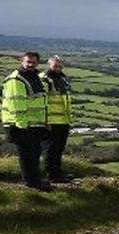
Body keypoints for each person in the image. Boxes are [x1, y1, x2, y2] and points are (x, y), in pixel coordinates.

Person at [2, 51, 51, 192]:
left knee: (34, 154)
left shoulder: (35, 77)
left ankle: (36, 179)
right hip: (20, 125)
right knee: (27, 155)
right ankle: (31, 182)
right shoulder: (16, 80)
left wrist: (44, 122)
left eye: (34, 62)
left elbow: (41, 103)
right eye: (28, 62)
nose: (31, 65)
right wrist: (22, 125)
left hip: (34, 124)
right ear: (21, 61)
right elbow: (16, 104)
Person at [40, 55, 74, 183]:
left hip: (63, 121)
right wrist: (45, 120)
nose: (58, 68)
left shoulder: (62, 79)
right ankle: (51, 174)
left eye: (60, 66)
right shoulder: (44, 79)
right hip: (51, 122)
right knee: (50, 149)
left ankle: (58, 172)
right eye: (55, 66)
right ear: (48, 65)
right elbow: (41, 102)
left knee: (59, 149)